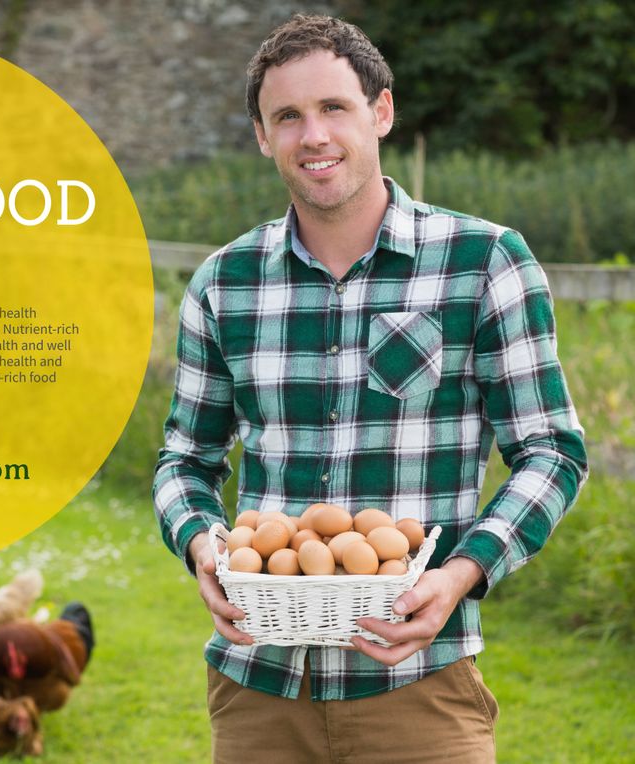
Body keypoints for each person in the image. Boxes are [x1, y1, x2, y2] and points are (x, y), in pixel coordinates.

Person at [152, 13, 588, 764]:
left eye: (334, 108)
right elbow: (184, 461)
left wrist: (461, 573)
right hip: (259, 690)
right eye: (286, 116)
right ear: (262, 136)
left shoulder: (483, 262)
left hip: (419, 686)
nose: (312, 135)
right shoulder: (225, 282)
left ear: (380, 112)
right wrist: (199, 544)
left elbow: (551, 451)